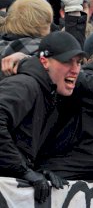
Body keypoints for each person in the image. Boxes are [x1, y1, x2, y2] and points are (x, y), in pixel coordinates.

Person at [0, 31, 84, 203]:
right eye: (67, 61)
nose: (75, 70)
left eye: (79, 62)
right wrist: (22, 170)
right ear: (44, 61)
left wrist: (36, 169)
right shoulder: (25, 85)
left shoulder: (49, 92)